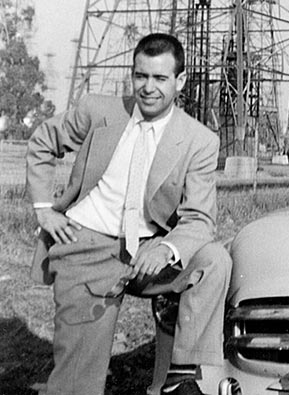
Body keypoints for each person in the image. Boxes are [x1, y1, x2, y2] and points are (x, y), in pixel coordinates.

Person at [25, 33, 232, 395]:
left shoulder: (199, 140)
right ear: (132, 75)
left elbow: (200, 219)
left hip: (147, 255)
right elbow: (43, 141)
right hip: (85, 247)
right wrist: (45, 210)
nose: (148, 88)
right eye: (141, 77)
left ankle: (181, 377)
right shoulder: (98, 110)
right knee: (77, 385)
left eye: (160, 78)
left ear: (180, 81)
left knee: (213, 259)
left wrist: (167, 249)